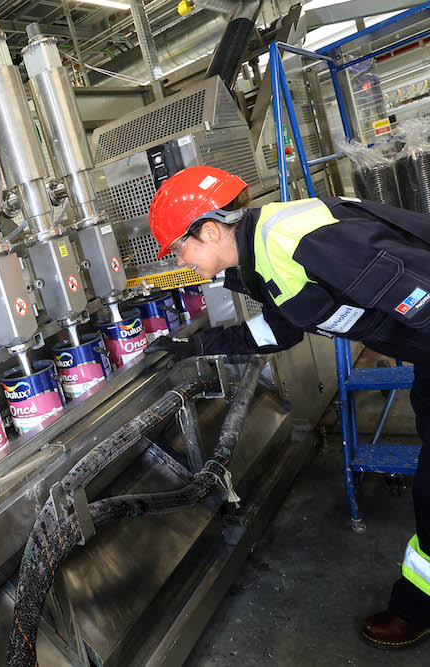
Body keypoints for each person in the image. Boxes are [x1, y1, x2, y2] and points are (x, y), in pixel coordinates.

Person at [146, 165, 430, 649]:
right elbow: (281, 329)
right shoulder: (263, 254)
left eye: (179, 248)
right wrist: (197, 345)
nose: (180, 260)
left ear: (209, 230)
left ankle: (416, 607)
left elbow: (420, 291)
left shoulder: (296, 242)